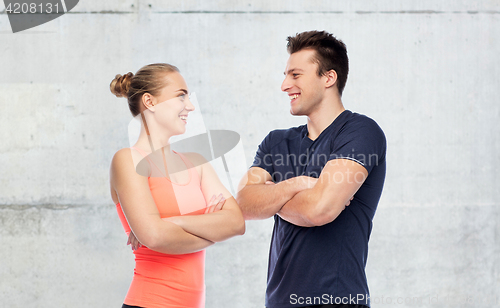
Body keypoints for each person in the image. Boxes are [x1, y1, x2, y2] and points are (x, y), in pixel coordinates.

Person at [236, 31, 386, 308]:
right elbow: (243, 204)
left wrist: (270, 196)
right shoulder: (276, 141)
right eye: (285, 75)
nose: (284, 85)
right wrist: (297, 185)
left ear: (328, 78)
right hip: (278, 302)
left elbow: (320, 210)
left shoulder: (359, 131)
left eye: (295, 75)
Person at [109, 63, 245, 308]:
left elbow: (236, 223)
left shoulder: (197, 163)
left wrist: (173, 222)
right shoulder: (128, 160)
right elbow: (154, 236)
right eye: (181, 96)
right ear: (150, 102)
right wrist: (211, 227)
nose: (190, 106)